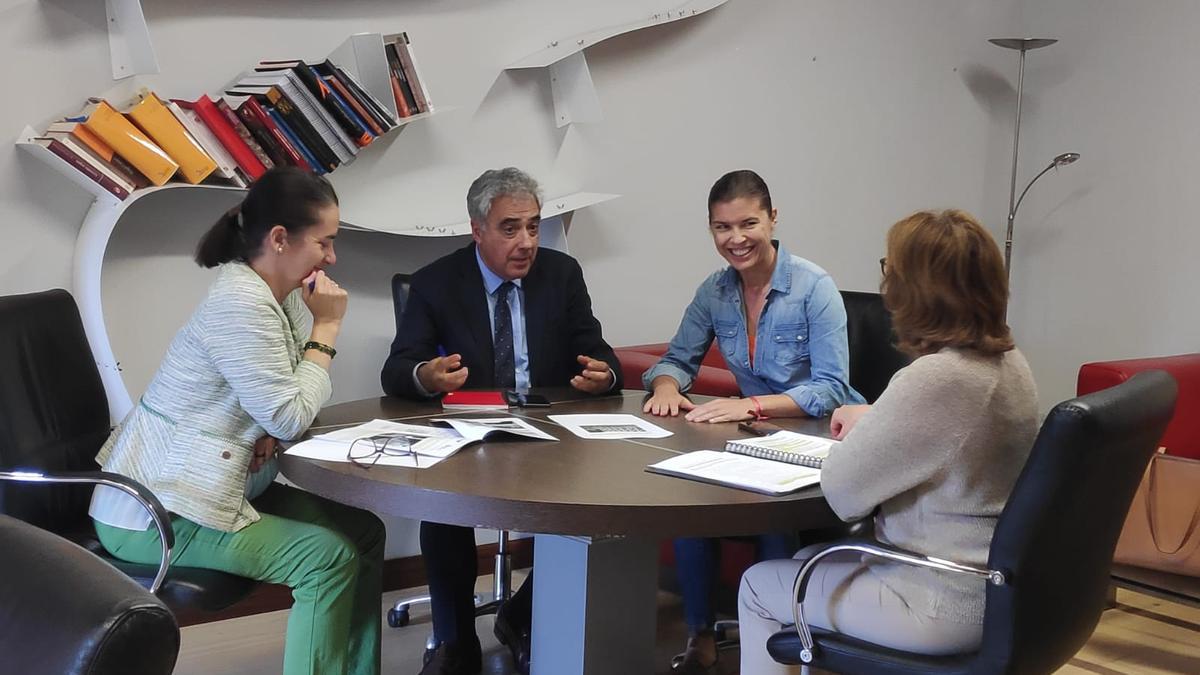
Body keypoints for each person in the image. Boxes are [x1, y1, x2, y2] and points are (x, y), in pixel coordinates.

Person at [89, 167, 385, 675]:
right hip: (156, 511)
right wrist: (328, 328)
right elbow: (292, 411)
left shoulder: (282, 295)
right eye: (325, 243)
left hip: (211, 488)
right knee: (325, 559)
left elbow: (286, 396)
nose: (332, 258)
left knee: (363, 533)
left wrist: (271, 421)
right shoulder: (240, 303)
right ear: (278, 239)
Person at [737, 209, 1040, 674]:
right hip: (992, 586)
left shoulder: (935, 377)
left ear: (913, 290)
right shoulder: (1008, 362)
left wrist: (872, 428)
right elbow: (956, 434)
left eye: (889, 270)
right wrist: (879, 416)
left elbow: (843, 494)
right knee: (804, 560)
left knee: (760, 587)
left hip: (937, 599)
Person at [380, 167, 623, 675]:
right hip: (472, 433)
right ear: (477, 230)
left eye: (533, 227)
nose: (527, 242)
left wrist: (606, 374)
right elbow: (398, 369)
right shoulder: (435, 284)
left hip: (552, 433)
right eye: (510, 228)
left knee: (594, 507)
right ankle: (455, 643)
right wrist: (426, 374)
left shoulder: (562, 275)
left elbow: (596, 351)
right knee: (442, 510)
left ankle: (522, 615)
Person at [640, 169, 862, 673]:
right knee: (691, 502)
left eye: (748, 224)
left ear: (772, 219)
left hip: (817, 437)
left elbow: (831, 387)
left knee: (770, 512)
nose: (736, 239)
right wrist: (668, 386)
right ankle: (699, 634)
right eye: (722, 228)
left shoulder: (814, 287)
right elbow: (676, 358)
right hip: (753, 436)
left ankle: (780, 635)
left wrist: (753, 405)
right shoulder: (714, 292)